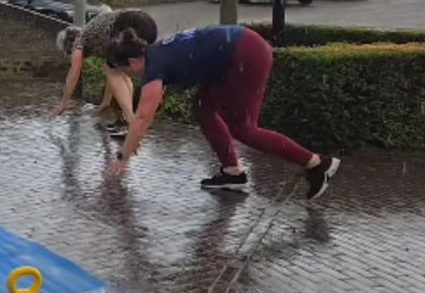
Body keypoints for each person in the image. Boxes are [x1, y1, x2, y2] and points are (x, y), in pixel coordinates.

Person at [104, 25, 341, 200]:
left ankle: (317, 163)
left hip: (246, 54)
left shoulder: (153, 66)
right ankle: (232, 173)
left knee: (244, 129)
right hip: (237, 51)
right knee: (202, 108)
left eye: (123, 70)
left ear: (133, 62)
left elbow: (144, 116)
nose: (127, 76)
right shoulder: (157, 54)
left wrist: (122, 157)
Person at [54, 10, 158, 135]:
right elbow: (111, 69)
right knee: (119, 71)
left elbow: (74, 73)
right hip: (148, 26)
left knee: (115, 74)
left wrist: (63, 103)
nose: (73, 55)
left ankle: (132, 122)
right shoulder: (98, 40)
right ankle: (128, 119)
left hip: (133, 26)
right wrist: (106, 101)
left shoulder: (79, 41)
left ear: (70, 43)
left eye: (70, 53)